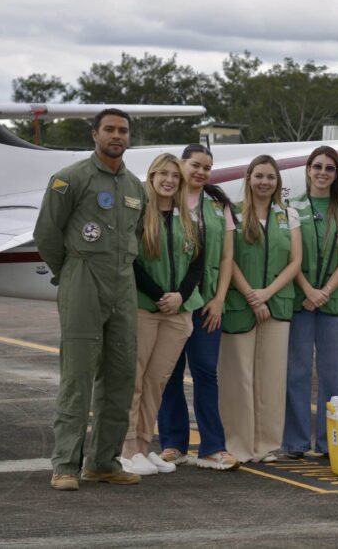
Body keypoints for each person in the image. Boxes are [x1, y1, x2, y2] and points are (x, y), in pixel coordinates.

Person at [34, 108, 147, 491]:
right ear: (94, 134)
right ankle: (66, 463)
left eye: (123, 130)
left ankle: (103, 461)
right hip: (82, 276)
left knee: (120, 374)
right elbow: (47, 233)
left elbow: (137, 235)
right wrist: (69, 275)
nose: (117, 136)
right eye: (110, 130)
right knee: (78, 374)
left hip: (122, 281)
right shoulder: (70, 179)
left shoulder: (135, 186)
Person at [157, 144, 240, 471]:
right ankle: (173, 444)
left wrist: (219, 299)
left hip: (207, 304)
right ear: (182, 165)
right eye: (195, 165)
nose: (201, 172)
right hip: (173, 303)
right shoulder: (165, 202)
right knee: (171, 374)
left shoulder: (218, 206)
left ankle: (212, 447)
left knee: (206, 373)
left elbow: (227, 258)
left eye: (207, 167)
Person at [121, 153, 203, 476]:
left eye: (175, 175)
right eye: (163, 174)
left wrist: (180, 295)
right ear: (152, 178)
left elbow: (198, 261)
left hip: (178, 312)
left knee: (157, 381)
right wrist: (159, 296)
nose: (169, 180)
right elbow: (133, 261)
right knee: (135, 381)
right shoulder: (140, 214)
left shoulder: (188, 217)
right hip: (146, 307)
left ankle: (143, 446)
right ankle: (127, 450)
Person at [219, 155, 302, 463]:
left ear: (277, 181)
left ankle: (266, 445)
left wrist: (267, 293)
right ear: (249, 178)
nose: (265, 182)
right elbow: (230, 259)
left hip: (277, 305)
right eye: (259, 176)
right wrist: (252, 296)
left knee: (271, 378)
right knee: (237, 377)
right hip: (240, 305)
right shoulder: (233, 213)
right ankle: (238, 445)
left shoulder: (288, 215)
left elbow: (295, 262)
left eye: (270, 176)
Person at [282, 147, 338, 459]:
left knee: (334, 375)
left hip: (335, 303)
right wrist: (308, 290)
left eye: (330, 168)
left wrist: (324, 290)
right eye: (318, 167)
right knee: (297, 373)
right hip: (301, 301)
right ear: (308, 170)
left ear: (336, 174)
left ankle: (330, 442)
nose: (323, 173)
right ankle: (296, 442)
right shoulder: (290, 206)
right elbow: (289, 255)